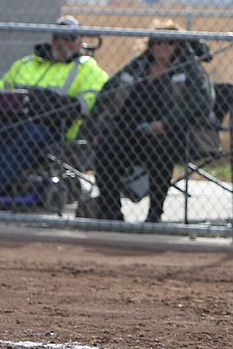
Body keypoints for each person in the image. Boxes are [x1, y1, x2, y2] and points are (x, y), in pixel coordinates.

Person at [0, 15, 110, 210]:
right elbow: (1, 90)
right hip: (13, 119)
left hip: (53, 129)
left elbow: (86, 105)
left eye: (69, 38)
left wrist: (44, 101)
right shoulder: (26, 64)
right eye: (58, 37)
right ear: (51, 39)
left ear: (79, 42)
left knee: (29, 137)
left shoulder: (87, 69)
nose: (62, 43)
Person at [83, 21, 216, 224]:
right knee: (106, 148)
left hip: (170, 134)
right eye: (157, 42)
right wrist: (94, 129)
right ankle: (112, 214)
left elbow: (202, 101)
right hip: (130, 131)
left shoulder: (188, 69)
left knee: (160, 150)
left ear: (178, 46)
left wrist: (166, 123)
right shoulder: (138, 66)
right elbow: (107, 93)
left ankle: (154, 215)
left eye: (169, 42)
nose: (162, 47)